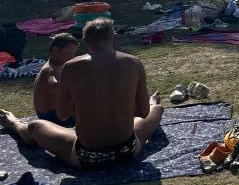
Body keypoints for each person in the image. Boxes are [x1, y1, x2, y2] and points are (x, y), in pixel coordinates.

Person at [0, 18, 163, 170]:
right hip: (128, 149)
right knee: (155, 110)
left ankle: (15, 124)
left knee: (36, 126)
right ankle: (154, 105)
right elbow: (143, 112)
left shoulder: (71, 67)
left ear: (85, 42)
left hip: (87, 156)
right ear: (114, 38)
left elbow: (63, 114)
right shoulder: (134, 63)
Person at [33, 33, 79, 126]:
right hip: (50, 116)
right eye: (68, 53)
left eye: (73, 54)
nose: (71, 57)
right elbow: (55, 87)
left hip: (55, 113)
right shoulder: (49, 69)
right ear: (55, 50)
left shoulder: (60, 65)